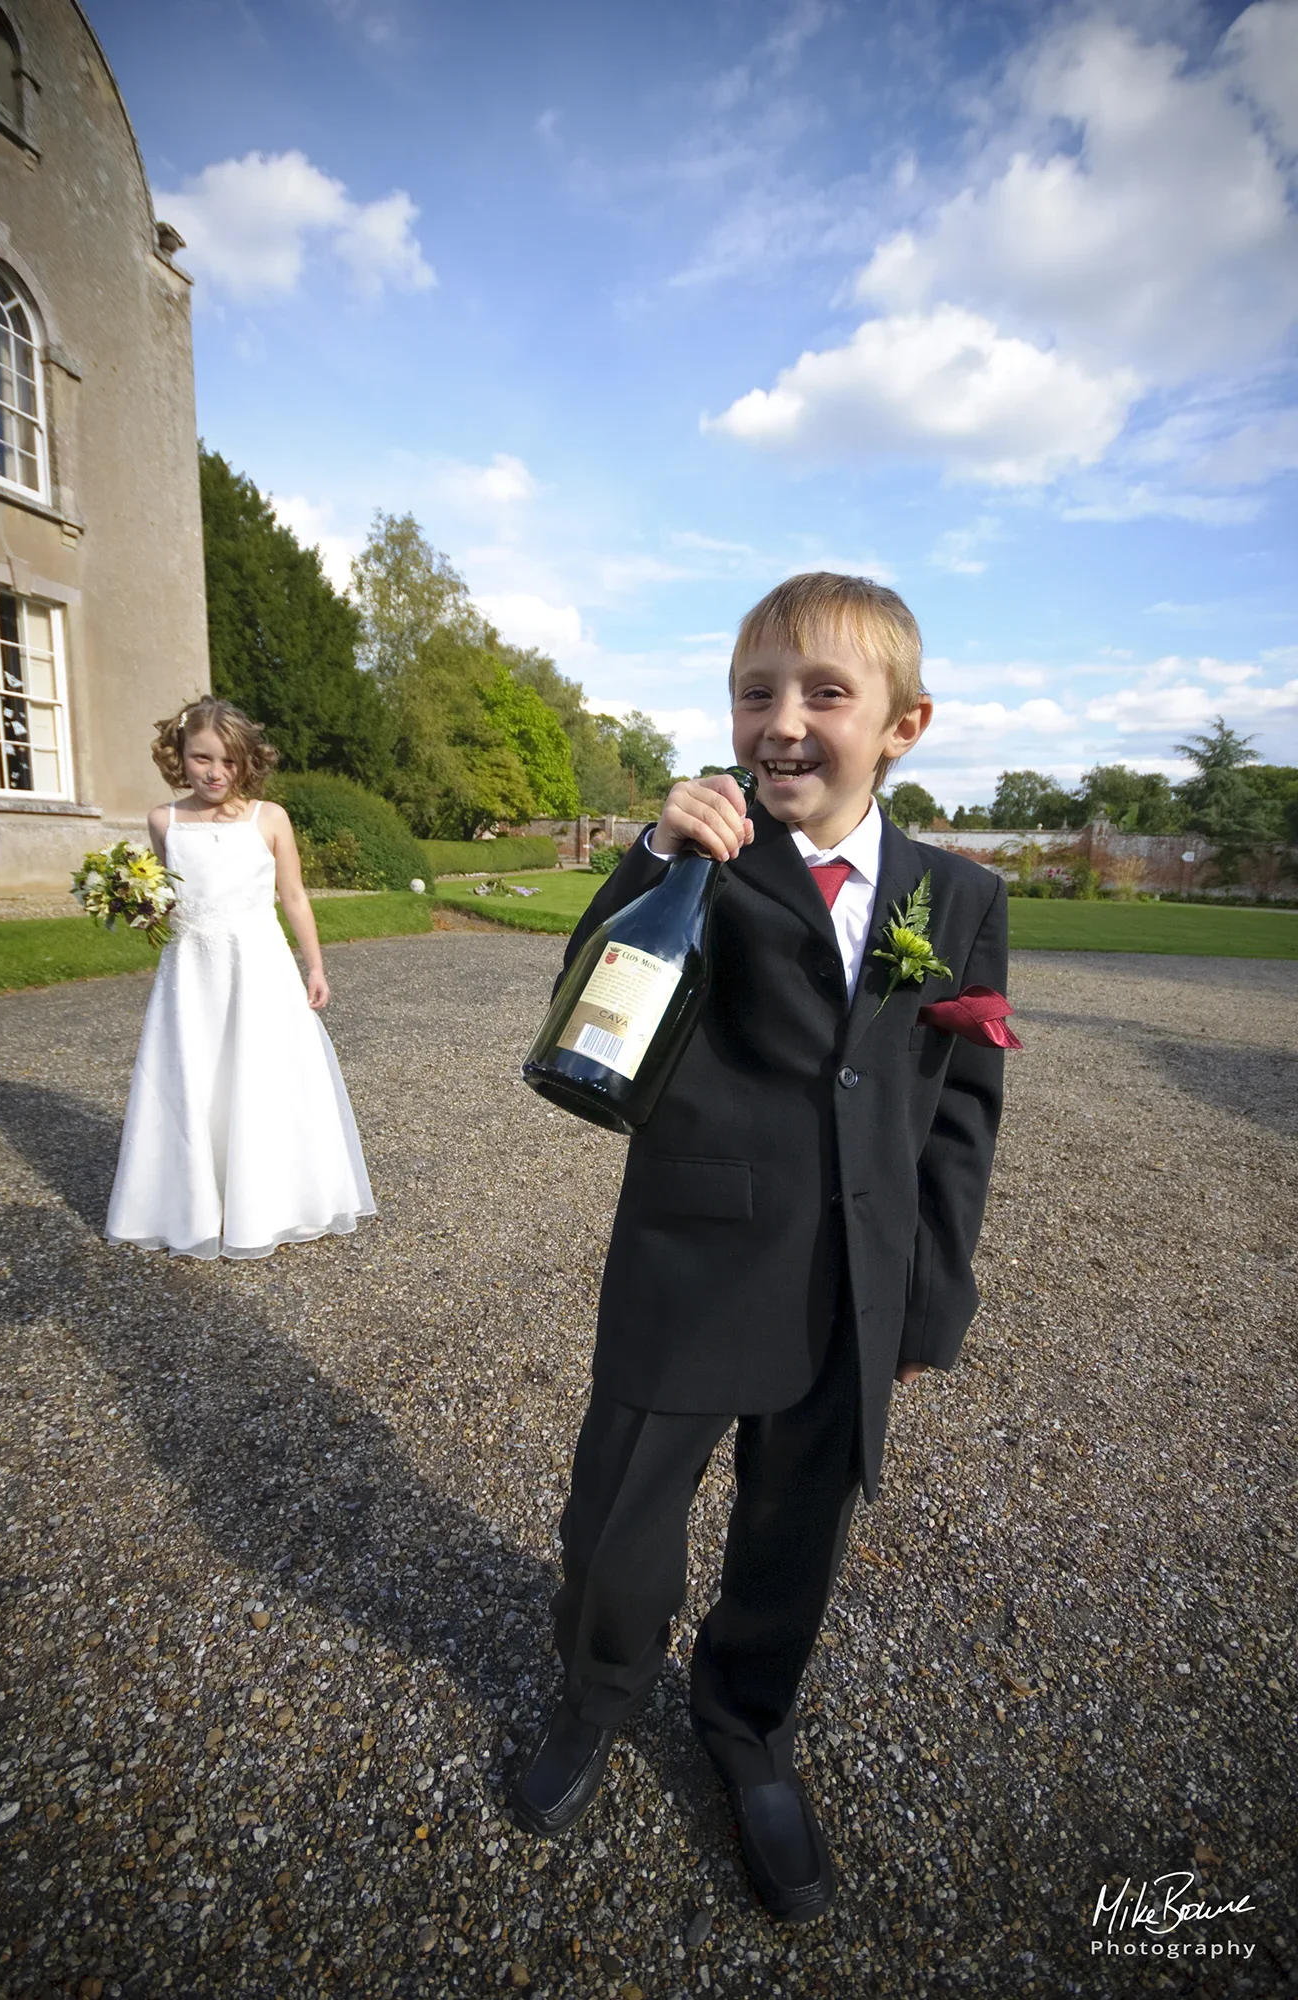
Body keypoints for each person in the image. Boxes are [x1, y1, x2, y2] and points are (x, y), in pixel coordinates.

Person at [509, 573, 1013, 1923]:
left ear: (903, 725)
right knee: (618, 1525)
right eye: (755, 694)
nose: (781, 724)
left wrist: (932, 1300)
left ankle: (748, 1728)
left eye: (824, 696)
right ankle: (601, 1693)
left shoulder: (958, 899)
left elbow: (962, 1115)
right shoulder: (705, 862)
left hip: (853, 1279)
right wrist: (652, 855)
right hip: (691, 1251)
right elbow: (584, 997)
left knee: (794, 1540)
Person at [106, 697, 375, 1261]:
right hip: (191, 971)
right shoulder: (164, 821)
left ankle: (272, 1201)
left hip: (258, 967)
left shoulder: (268, 818)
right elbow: (169, 898)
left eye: (228, 761)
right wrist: (135, 904)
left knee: (261, 1074)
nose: (215, 772)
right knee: (195, 1077)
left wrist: (315, 965)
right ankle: (195, 1203)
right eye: (202, 758)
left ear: (246, 762)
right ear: (179, 754)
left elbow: (293, 897)